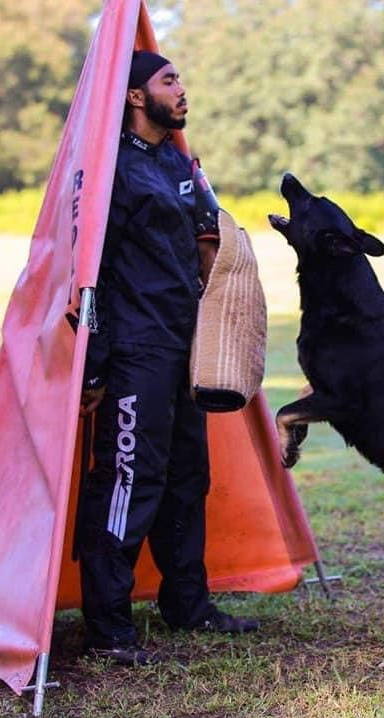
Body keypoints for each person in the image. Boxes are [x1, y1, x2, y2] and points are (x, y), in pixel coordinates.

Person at [75, 50, 259, 666]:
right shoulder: (112, 171)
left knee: (187, 479)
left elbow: (210, 241)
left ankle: (188, 605)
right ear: (135, 96)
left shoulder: (180, 163)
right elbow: (91, 273)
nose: (182, 90)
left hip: (188, 352)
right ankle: (108, 629)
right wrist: (95, 365)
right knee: (128, 480)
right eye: (169, 80)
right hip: (136, 353)